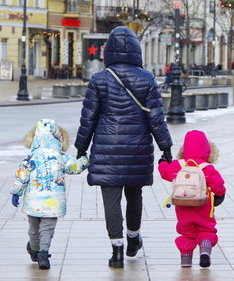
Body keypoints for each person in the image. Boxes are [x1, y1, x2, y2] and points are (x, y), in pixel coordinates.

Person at [74, 26, 173, 269]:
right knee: (134, 195)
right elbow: (156, 118)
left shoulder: (99, 79)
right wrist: (166, 147)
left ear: (109, 51)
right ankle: (132, 238)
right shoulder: (147, 79)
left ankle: (116, 250)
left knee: (111, 199)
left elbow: (89, 118)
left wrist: (80, 147)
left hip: (106, 149)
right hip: (137, 148)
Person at [11, 119, 89, 270]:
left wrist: (16, 192)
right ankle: (43, 254)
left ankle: (34, 249)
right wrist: (84, 160)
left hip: (33, 201)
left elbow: (21, 175)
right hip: (53, 201)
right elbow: (75, 167)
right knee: (47, 228)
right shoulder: (61, 156)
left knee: (34, 229)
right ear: (58, 138)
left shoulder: (31, 157)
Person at [158, 130, 226, 268]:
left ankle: (186, 259)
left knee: (186, 231)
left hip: (182, 205)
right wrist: (219, 195)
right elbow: (218, 184)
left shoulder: (179, 165)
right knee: (206, 228)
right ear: (208, 149)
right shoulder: (206, 167)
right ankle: (205, 251)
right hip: (203, 204)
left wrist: (162, 162)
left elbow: (165, 172)